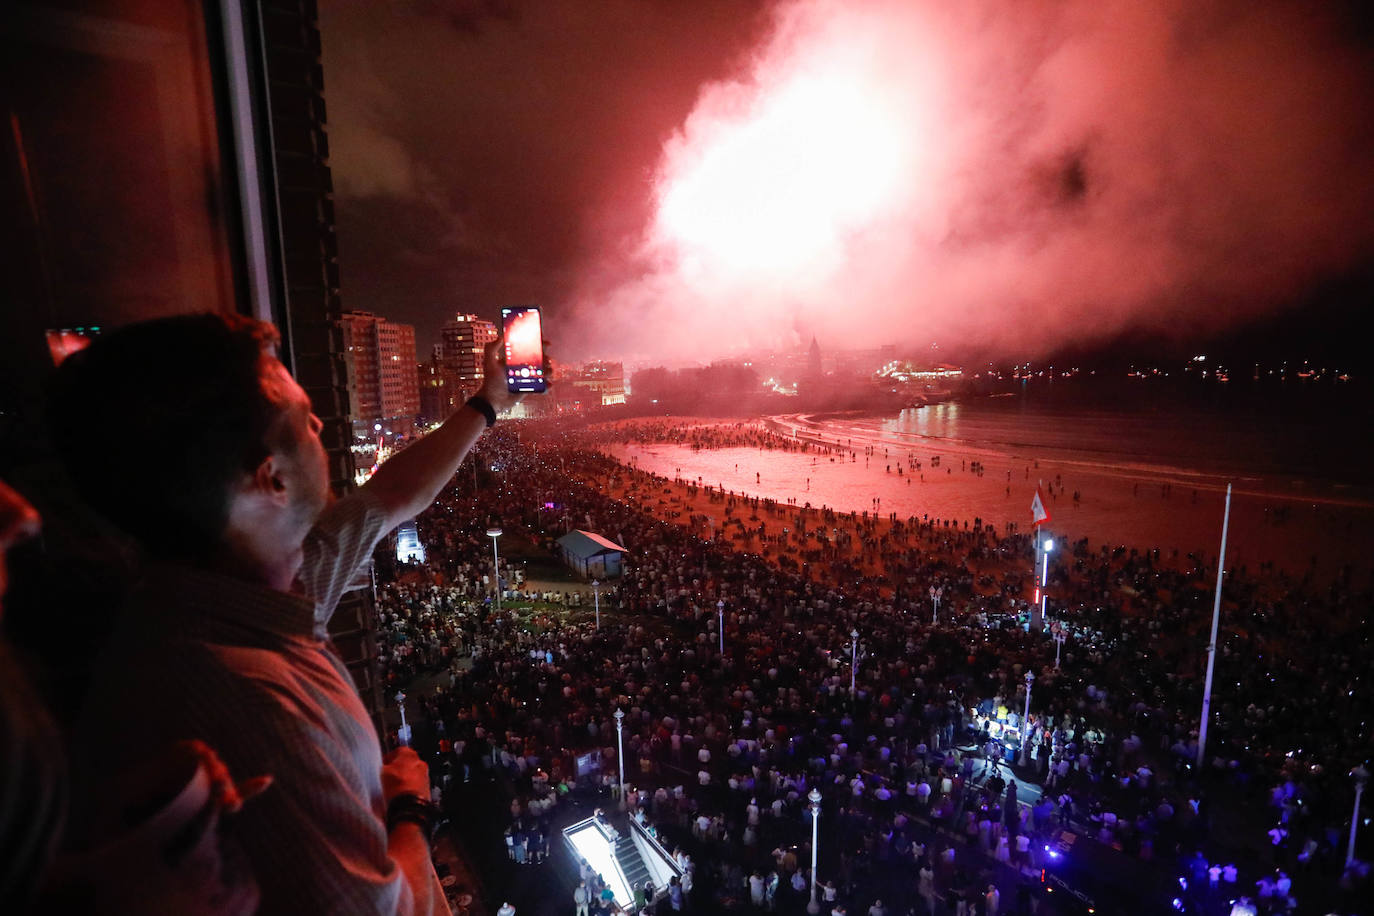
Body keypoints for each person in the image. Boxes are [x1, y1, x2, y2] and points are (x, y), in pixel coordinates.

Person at [48, 313, 538, 913]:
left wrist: (487, 403)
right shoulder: (250, 703)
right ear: (271, 479)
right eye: (302, 418)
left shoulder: (267, 583)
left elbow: (390, 497)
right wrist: (409, 811)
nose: (320, 423)